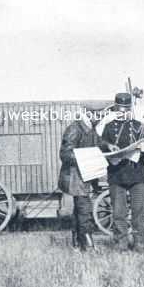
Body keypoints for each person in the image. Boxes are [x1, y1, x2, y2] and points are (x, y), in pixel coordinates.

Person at [101, 93, 144, 253]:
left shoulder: (140, 126)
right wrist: (108, 147)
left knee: (139, 211)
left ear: (130, 109)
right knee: (118, 213)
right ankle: (121, 244)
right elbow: (101, 149)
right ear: (115, 109)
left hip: (137, 175)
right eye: (119, 109)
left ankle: (139, 244)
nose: (122, 112)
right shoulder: (109, 128)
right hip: (117, 175)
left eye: (125, 109)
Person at [58, 102, 105, 251]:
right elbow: (65, 154)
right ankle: (88, 247)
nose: (99, 117)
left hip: (82, 176)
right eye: (97, 114)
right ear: (88, 113)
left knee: (79, 211)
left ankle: (77, 244)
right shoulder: (74, 128)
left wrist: (108, 146)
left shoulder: (89, 129)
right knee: (85, 210)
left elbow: (99, 142)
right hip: (75, 178)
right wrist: (86, 158)